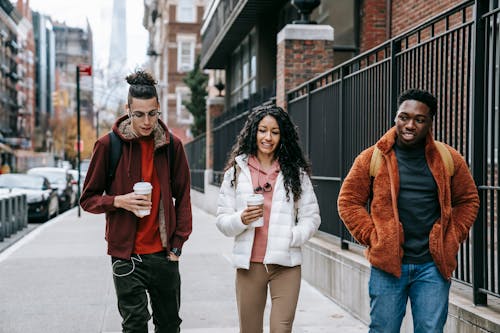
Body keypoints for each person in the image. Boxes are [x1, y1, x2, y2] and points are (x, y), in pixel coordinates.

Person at [337, 89, 479, 333]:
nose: (410, 125)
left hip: (432, 266)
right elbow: (348, 201)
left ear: (430, 122)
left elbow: (468, 200)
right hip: (388, 266)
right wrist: (374, 237)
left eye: (419, 119)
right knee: (383, 329)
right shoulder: (372, 157)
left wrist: (452, 235)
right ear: (395, 117)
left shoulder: (448, 158)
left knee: (430, 330)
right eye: (404, 117)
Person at [80, 70, 192, 333]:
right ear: (127, 109)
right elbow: (88, 199)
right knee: (134, 326)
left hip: (164, 255)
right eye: (139, 114)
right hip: (126, 257)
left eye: (152, 114)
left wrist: (177, 245)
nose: (146, 121)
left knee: (169, 325)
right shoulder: (108, 145)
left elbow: (184, 195)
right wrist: (119, 201)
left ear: (158, 110)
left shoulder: (172, 146)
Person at [216, 104, 321, 333]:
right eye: (263, 130)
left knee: (281, 330)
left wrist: (293, 236)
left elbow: (311, 217)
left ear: (282, 136)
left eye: (275, 132)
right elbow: (222, 221)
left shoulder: (295, 172)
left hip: (286, 265)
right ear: (254, 132)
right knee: (250, 330)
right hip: (249, 265)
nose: (268, 137)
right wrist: (241, 219)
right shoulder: (236, 171)